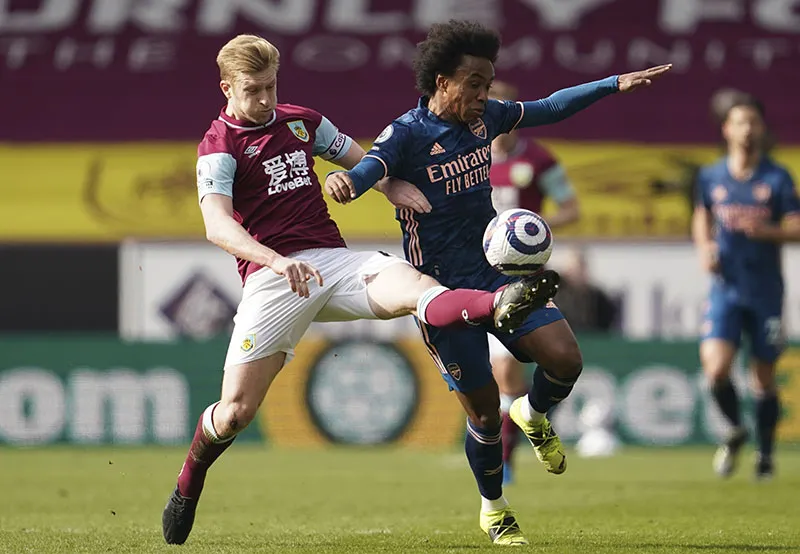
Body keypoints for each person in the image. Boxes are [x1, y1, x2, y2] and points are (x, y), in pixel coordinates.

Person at [160, 34, 560, 546]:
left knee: (418, 286)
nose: (265, 100)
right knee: (235, 412)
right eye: (253, 90)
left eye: (271, 86)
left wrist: (392, 185)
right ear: (226, 88)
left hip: (333, 263)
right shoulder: (219, 146)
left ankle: (500, 303)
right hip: (271, 279)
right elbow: (217, 226)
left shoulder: (299, 120)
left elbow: (360, 157)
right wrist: (275, 261)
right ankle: (188, 483)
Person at [325, 20, 670, 545]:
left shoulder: (488, 119)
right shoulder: (409, 133)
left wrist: (611, 83)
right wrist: (350, 181)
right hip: (441, 292)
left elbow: (549, 107)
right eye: (475, 84)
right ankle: (495, 508)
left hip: (499, 274)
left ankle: (533, 414)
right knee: (484, 413)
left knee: (566, 360)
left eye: (488, 84)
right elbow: (373, 163)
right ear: (442, 81)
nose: (484, 95)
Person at [692, 92, 800, 481]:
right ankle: (736, 429)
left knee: (764, 377)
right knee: (716, 368)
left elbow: (796, 226)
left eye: (753, 121)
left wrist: (769, 231)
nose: (747, 129)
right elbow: (701, 215)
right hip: (726, 288)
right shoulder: (710, 176)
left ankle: (766, 455)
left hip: (766, 290)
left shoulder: (777, 177)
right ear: (727, 129)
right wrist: (705, 247)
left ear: (762, 128)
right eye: (740, 122)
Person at [485, 80, 581, 485]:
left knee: (518, 370)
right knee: (499, 375)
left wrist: (532, 228)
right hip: (478, 276)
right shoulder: (466, 158)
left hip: (525, 277)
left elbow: (571, 209)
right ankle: (503, 452)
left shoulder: (539, 160)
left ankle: (506, 458)